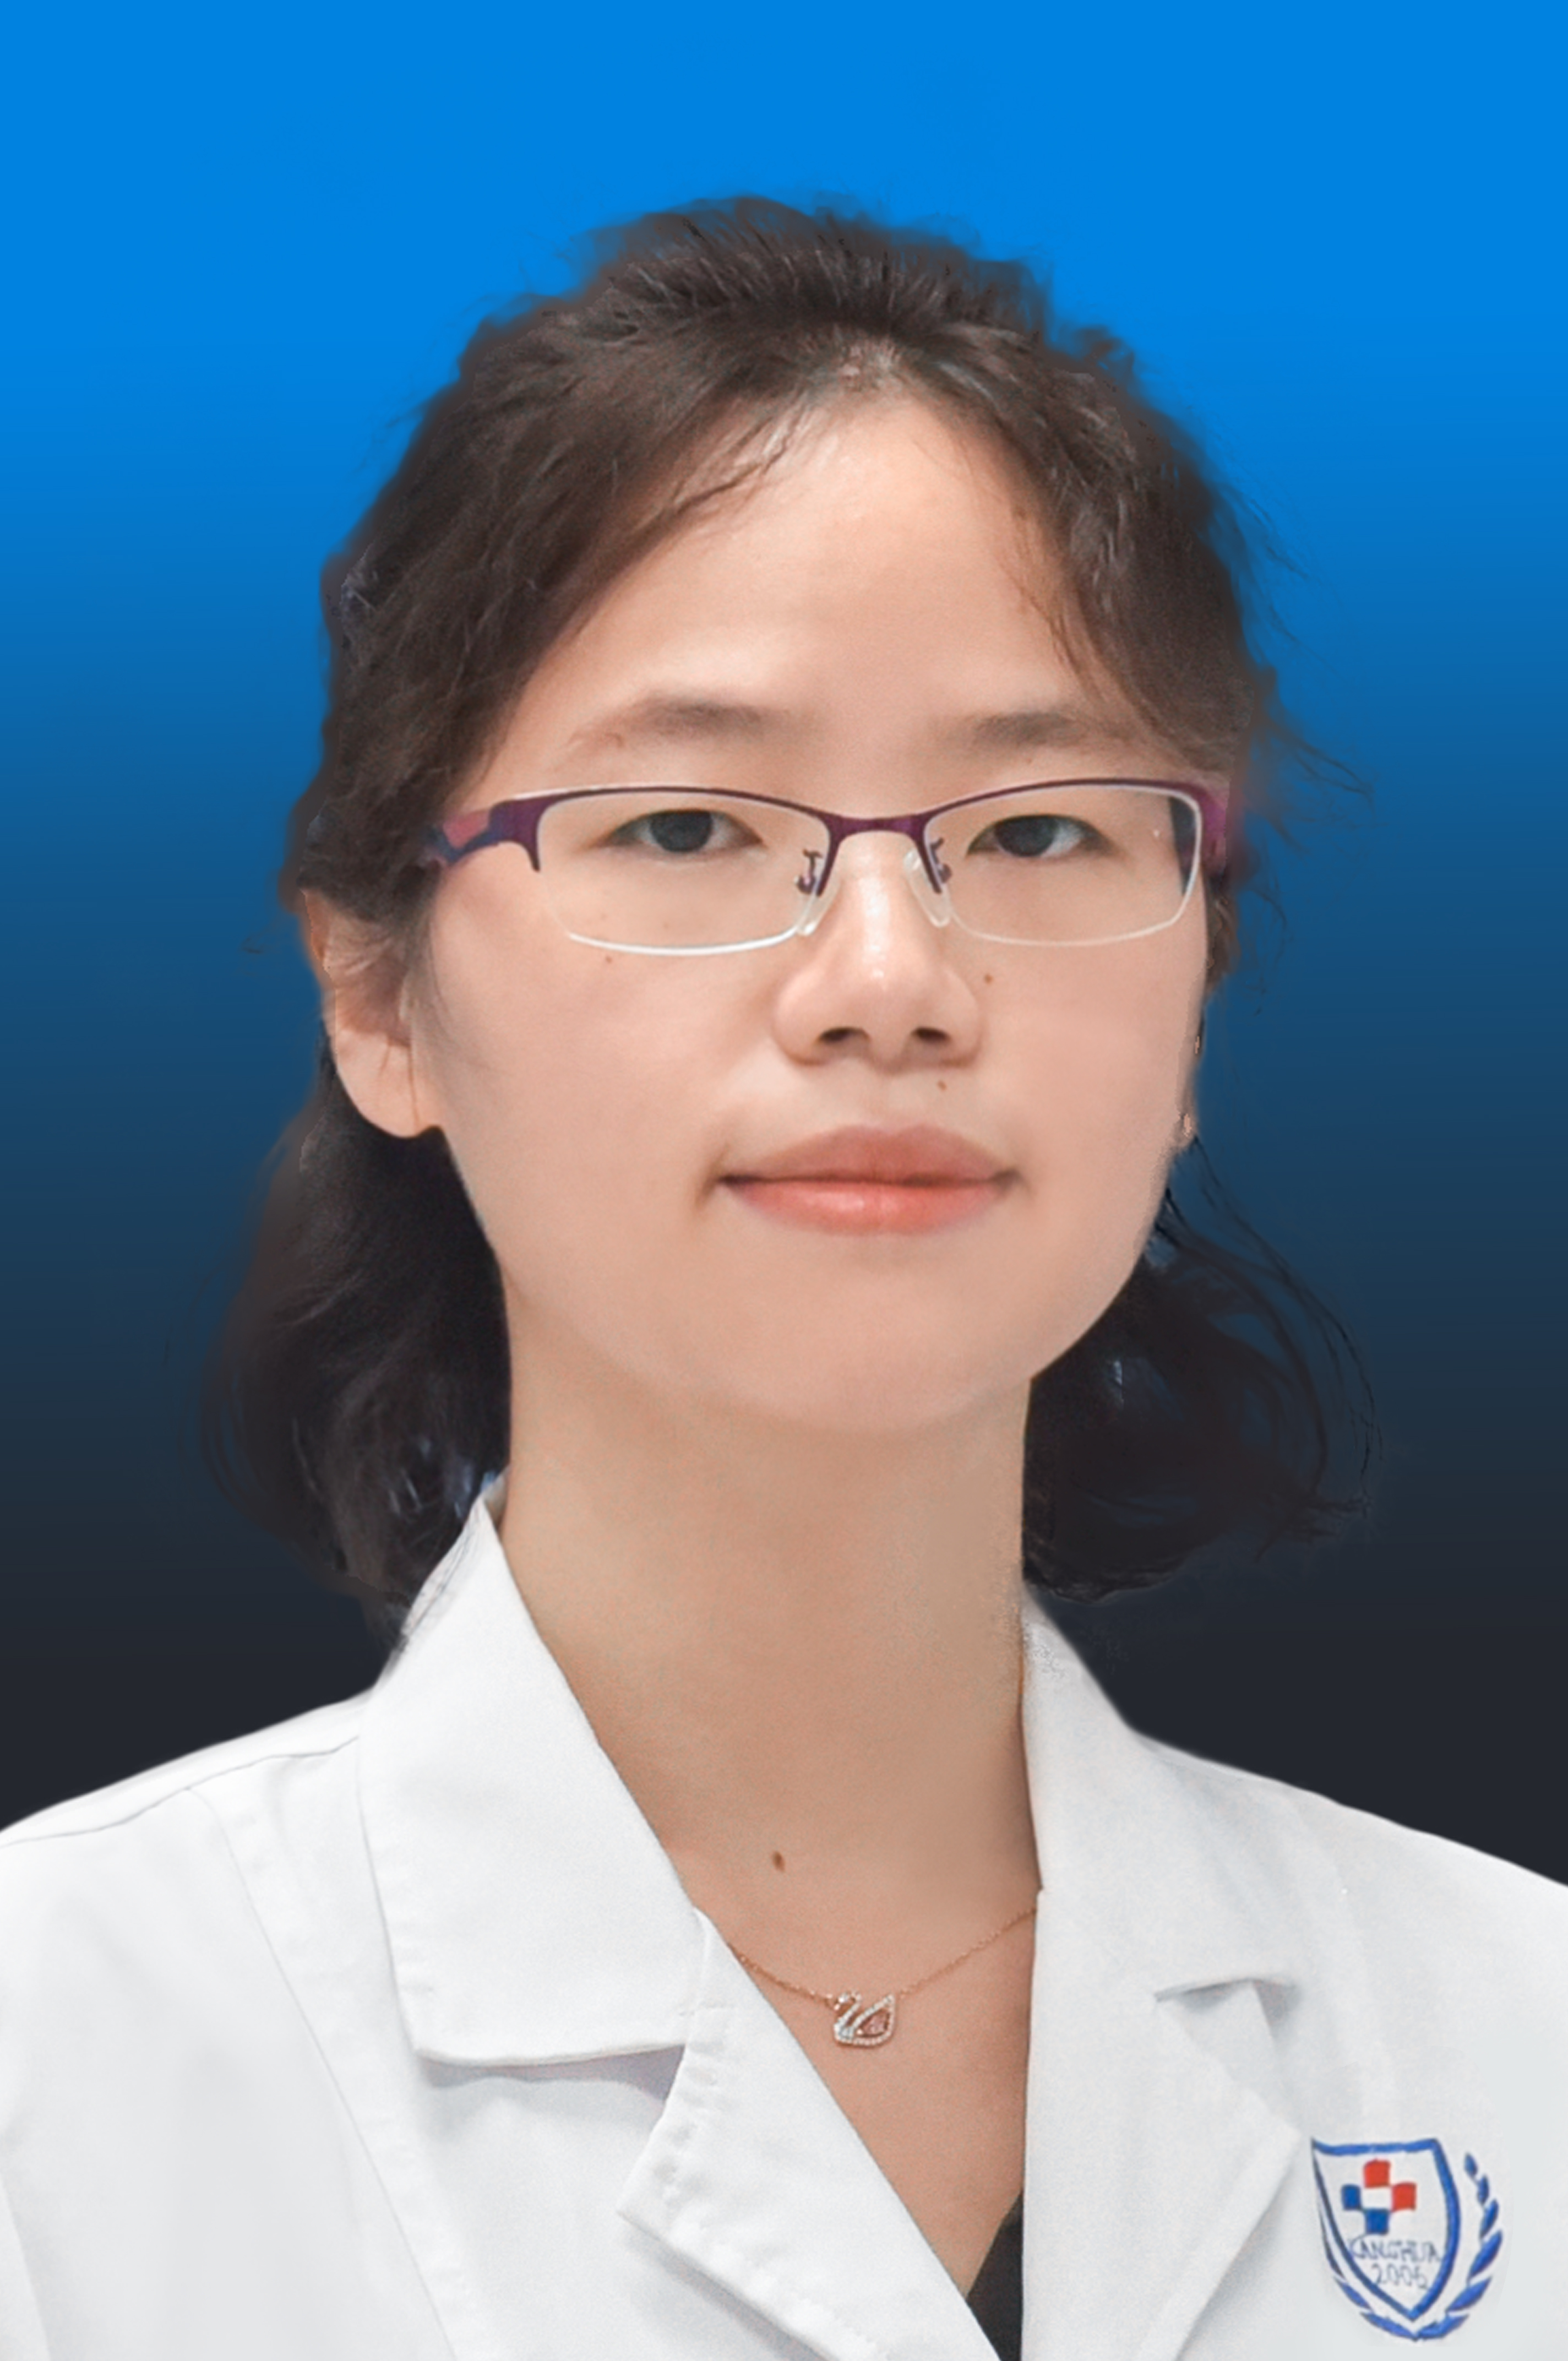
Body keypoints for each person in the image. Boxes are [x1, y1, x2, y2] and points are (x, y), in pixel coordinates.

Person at [0, 200, 1561, 2360]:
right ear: (375, 996)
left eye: (1036, 833)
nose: (888, 981)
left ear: (1195, 998)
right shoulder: (61, 2063)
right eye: (684, 828)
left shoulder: (1514, 2034)